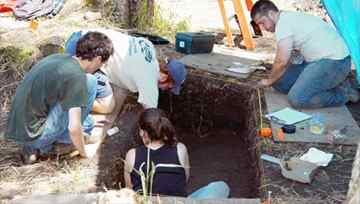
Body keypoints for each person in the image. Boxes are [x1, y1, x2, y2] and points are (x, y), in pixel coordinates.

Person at [6, 31, 114, 164]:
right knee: (90, 82)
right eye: (102, 63)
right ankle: (49, 146)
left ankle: (44, 143)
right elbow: (74, 128)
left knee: (89, 122)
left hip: (19, 125)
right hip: (33, 135)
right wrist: (84, 153)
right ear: (98, 59)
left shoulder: (59, 58)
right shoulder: (76, 78)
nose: (100, 67)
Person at [251, 0, 358, 108]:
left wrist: (268, 81)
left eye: (262, 23)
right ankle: (329, 83)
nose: (263, 28)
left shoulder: (283, 23)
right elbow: (288, 59)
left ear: (270, 14)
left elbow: (281, 61)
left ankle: (344, 94)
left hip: (334, 62)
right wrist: (273, 79)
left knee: (297, 99)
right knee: (279, 81)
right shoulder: (286, 19)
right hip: (316, 61)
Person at [65, 29, 187, 110]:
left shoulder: (148, 47)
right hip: (82, 53)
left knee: (111, 100)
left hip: (84, 35)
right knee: (106, 107)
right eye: (170, 87)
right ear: (165, 77)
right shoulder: (149, 81)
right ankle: (70, 105)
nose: (166, 90)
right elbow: (151, 116)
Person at [124, 108, 230, 198]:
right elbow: (184, 179)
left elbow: (130, 192)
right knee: (221, 187)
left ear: (143, 132)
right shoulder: (180, 149)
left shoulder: (131, 155)